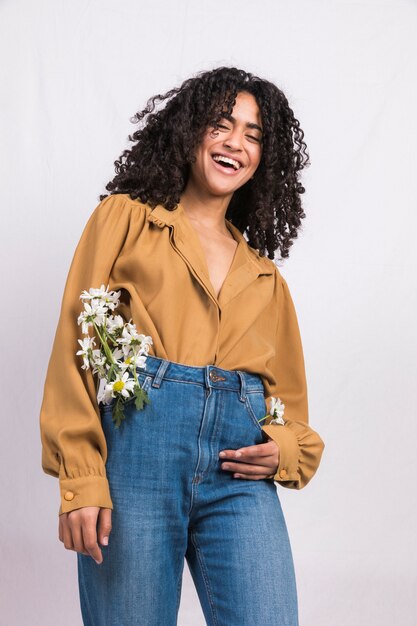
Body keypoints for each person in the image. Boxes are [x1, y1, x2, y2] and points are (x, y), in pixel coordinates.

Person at [39, 66, 325, 626]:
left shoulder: (266, 280)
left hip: (238, 474)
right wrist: (81, 478)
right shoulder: (125, 219)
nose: (235, 144)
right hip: (139, 458)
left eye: (252, 134)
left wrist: (283, 451)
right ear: (190, 130)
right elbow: (75, 345)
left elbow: (288, 408)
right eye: (221, 124)